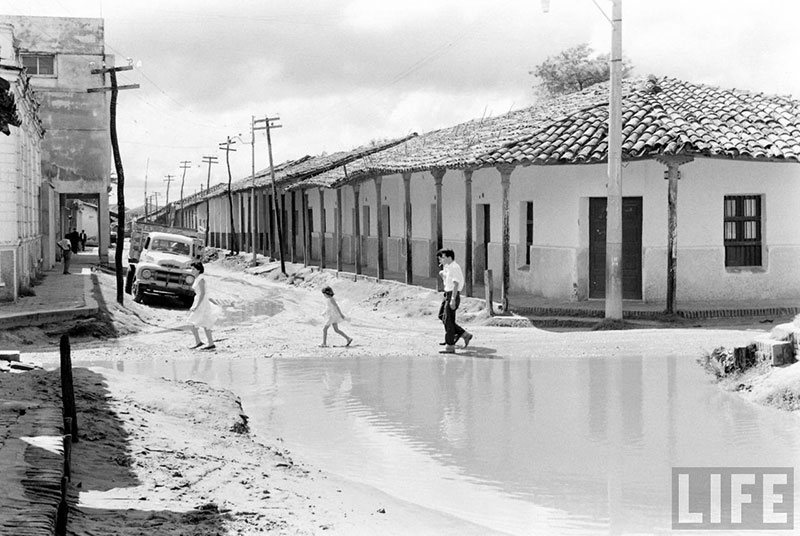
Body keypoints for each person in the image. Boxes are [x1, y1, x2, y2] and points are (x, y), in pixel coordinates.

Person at [436, 248, 473, 353]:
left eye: (443, 257)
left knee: (448, 320)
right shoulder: (448, 267)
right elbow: (448, 282)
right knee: (442, 316)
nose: (441, 260)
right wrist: (443, 274)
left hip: (453, 294)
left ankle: (450, 345)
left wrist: (452, 299)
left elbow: (456, 284)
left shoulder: (454, 267)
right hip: (447, 293)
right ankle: (463, 334)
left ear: (449, 257)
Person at [186, 261, 221, 350]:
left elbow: (203, 293)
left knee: (191, 322)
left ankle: (201, 342)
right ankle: (208, 343)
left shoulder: (200, 279)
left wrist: (196, 306)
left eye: (193, 269)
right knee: (205, 322)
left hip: (201, 302)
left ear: (198, 270)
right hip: (200, 301)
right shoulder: (198, 278)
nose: (192, 270)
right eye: (191, 269)